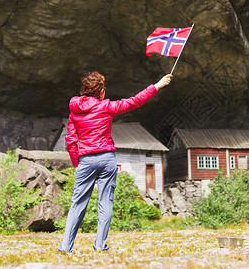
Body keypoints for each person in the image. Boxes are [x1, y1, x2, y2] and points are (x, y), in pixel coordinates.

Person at [57, 71, 172, 253]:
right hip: (107, 158)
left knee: (77, 203)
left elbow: (71, 140)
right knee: (106, 202)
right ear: (101, 91)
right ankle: (100, 245)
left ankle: (65, 246)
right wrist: (157, 85)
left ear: (83, 91)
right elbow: (135, 101)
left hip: (86, 159)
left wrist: (77, 162)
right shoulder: (106, 107)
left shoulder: (74, 112)